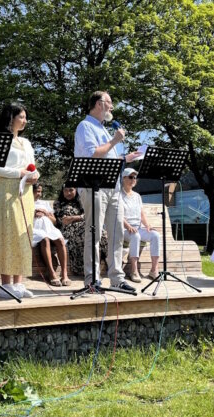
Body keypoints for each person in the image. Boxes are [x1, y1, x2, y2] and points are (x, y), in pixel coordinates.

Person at [74, 91, 142, 291]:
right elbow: (91, 154)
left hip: (113, 188)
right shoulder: (85, 126)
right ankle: (92, 280)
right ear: (98, 103)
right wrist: (114, 142)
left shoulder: (104, 130)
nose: (112, 107)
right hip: (94, 188)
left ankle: (116, 278)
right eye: (109, 103)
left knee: (117, 233)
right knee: (94, 233)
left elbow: (108, 159)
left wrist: (125, 158)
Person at [0, 102, 39, 299]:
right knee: (7, 234)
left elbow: (32, 165)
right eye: (21, 117)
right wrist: (19, 173)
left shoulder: (26, 143)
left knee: (22, 234)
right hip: (7, 190)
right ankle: (6, 284)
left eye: (26, 117)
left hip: (26, 191)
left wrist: (35, 175)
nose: (25, 120)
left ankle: (19, 283)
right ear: (11, 118)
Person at [53, 185, 108, 276]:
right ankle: (103, 262)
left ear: (76, 190)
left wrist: (75, 217)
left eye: (71, 190)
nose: (68, 193)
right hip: (68, 231)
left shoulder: (82, 201)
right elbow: (63, 220)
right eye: (66, 191)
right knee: (91, 232)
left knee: (99, 232)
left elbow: (89, 215)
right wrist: (80, 218)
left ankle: (105, 261)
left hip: (84, 227)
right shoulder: (58, 203)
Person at [120, 168, 161, 282]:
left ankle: (154, 270)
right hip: (124, 229)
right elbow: (118, 216)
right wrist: (128, 226)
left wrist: (147, 225)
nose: (133, 179)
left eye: (135, 177)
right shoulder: (118, 195)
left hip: (137, 228)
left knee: (155, 235)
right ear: (124, 178)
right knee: (136, 235)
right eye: (130, 177)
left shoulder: (137, 196)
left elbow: (141, 214)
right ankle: (133, 270)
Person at [32, 183, 70, 286]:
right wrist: (33, 213)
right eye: (37, 191)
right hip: (35, 228)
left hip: (49, 227)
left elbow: (54, 221)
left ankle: (64, 273)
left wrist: (46, 213)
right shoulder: (25, 202)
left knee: (60, 240)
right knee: (45, 239)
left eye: (40, 191)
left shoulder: (44, 203)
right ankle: (52, 272)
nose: (39, 194)